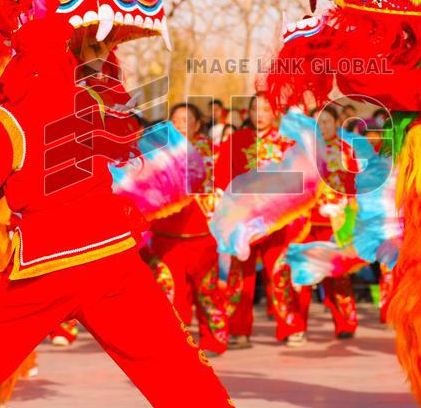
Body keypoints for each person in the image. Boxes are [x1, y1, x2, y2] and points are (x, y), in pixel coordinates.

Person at [0, 16, 233, 408]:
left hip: (45, 265)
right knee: (168, 359)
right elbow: (121, 145)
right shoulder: (89, 101)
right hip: (110, 253)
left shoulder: (9, 119)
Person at [214, 93, 307, 348]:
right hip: (242, 221)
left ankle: (291, 326)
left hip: (276, 221)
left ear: (275, 113)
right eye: (256, 109)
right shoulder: (237, 140)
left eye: (266, 109)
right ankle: (238, 330)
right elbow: (222, 177)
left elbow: (297, 180)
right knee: (238, 276)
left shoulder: (286, 143)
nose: (261, 114)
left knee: (278, 272)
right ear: (249, 113)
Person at [146, 103, 228, 356]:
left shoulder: (211, 153)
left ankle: (213, 340)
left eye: (187, 119)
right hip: (165, 236)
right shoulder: (156, 153)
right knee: (167, 291)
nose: (181, 124)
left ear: (198, 124)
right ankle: (172, 341)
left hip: (202, 234)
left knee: (207, 290)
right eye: (177, 120)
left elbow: (224, 184)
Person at [298, 106, 359, 339]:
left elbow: (356, 186)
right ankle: (297, 327)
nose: (321, 127)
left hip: (335, 220)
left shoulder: (345, 150)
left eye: (326, 122)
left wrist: (345, 206)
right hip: (305, 222)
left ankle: (345, 323)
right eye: (316, 123)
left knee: (338, 274)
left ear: (336, 124)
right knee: (301, 272)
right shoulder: (300, 152)